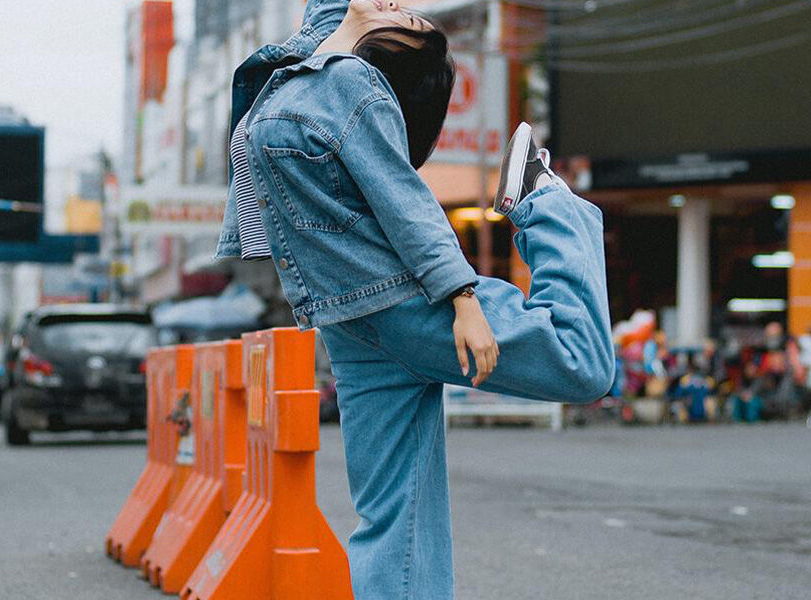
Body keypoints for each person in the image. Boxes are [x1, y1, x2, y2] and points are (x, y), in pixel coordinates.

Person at [213, 1, 614, 598]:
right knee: (396, 517)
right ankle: (545, 202)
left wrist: (462, 297)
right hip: (367, 315)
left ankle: (542, 199)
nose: (398, 4)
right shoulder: (305, 73)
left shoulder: (343, 82)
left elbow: (406, 200)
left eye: (407, 15)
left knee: (581, 367)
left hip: (388, 308)